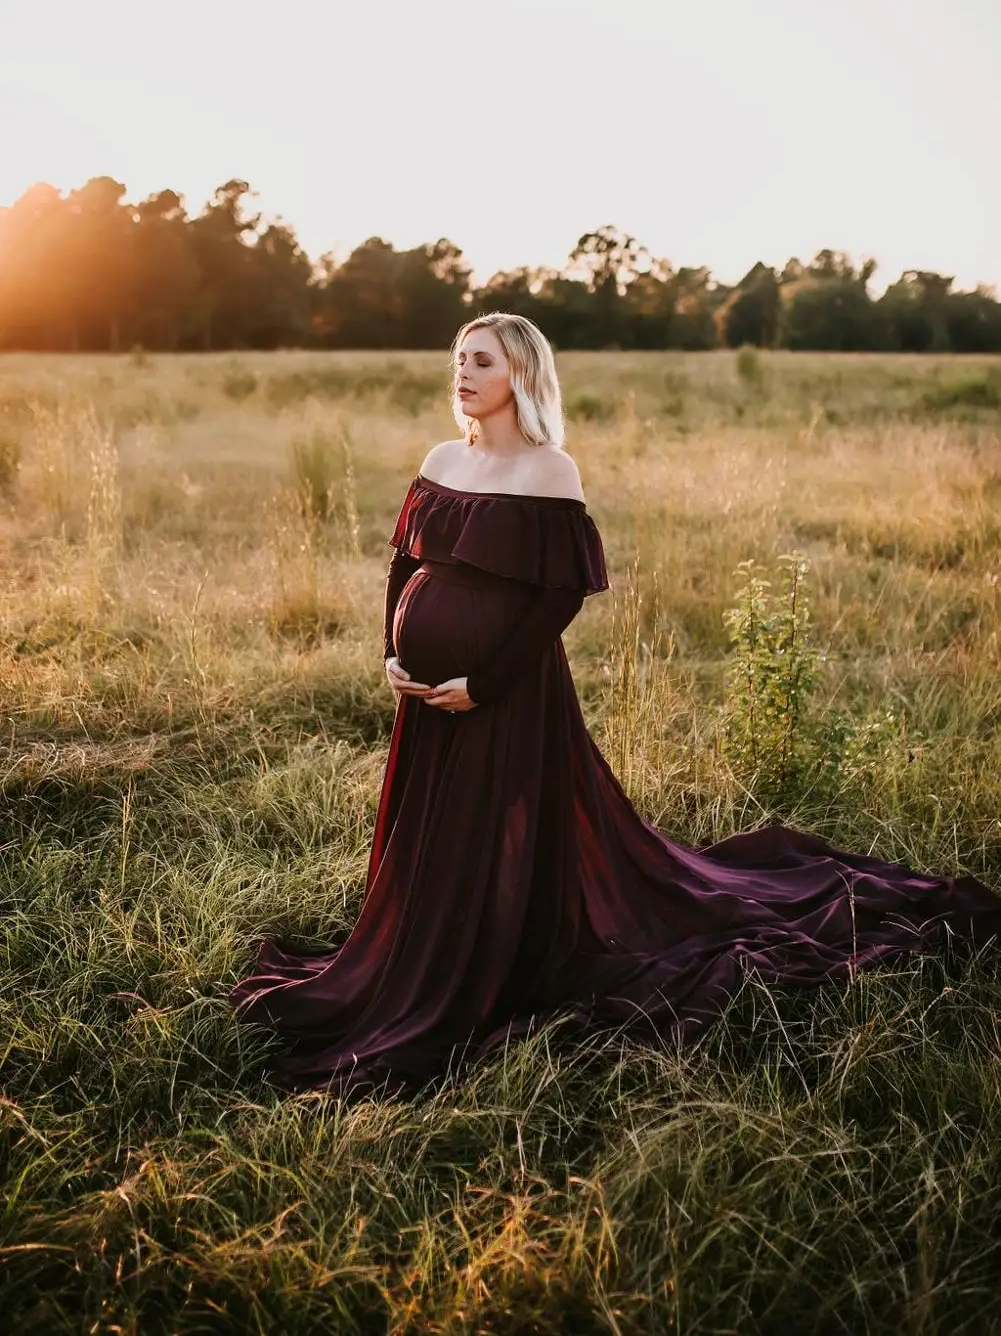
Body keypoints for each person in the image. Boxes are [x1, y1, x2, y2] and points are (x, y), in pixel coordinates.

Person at [230, 312, 1001, 1096]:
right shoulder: (439, 458)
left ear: (520, 377)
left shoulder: (549, 471)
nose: (463, 374)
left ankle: (489, 949)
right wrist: (391, 654)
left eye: (483, 362)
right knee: (433, 822)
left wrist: (483, 683)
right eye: (459, 359)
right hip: (425, 696)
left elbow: (557, 600)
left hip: (502, 694)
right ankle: (422, 934)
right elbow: (403, 567)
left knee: (493, 819)